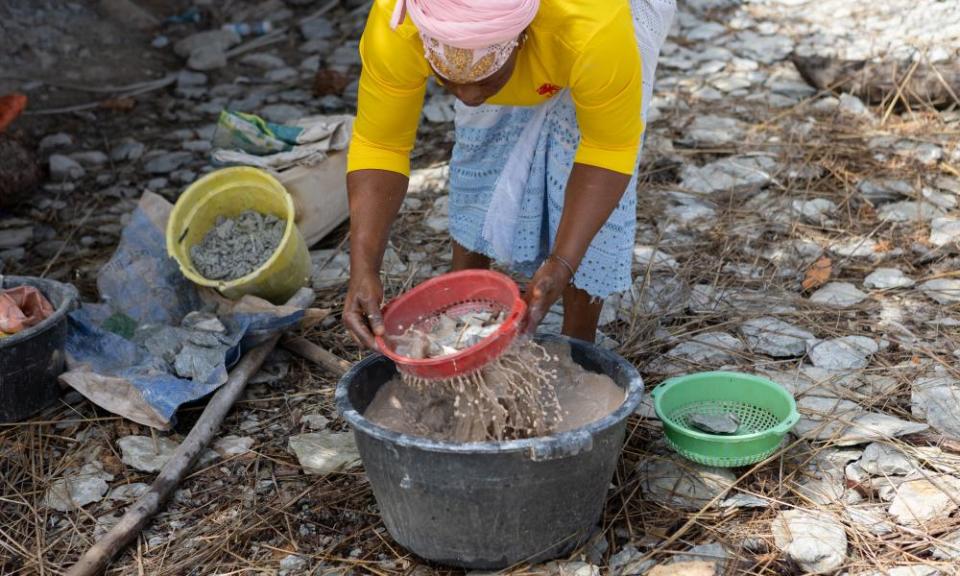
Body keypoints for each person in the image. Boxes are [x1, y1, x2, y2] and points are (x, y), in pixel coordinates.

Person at [343, 0, 676, 349]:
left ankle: (578, 345)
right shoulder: (404, 22)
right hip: (513, 36)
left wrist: (562, 262)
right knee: (483, 139)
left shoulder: (593, 29)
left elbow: (608, 149)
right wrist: (364, 267)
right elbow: (381, 144)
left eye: (484, 80)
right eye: (450, 81)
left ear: (521, 37)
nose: (469, 96)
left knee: (574, 142)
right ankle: (466, 312)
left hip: (592, 24)